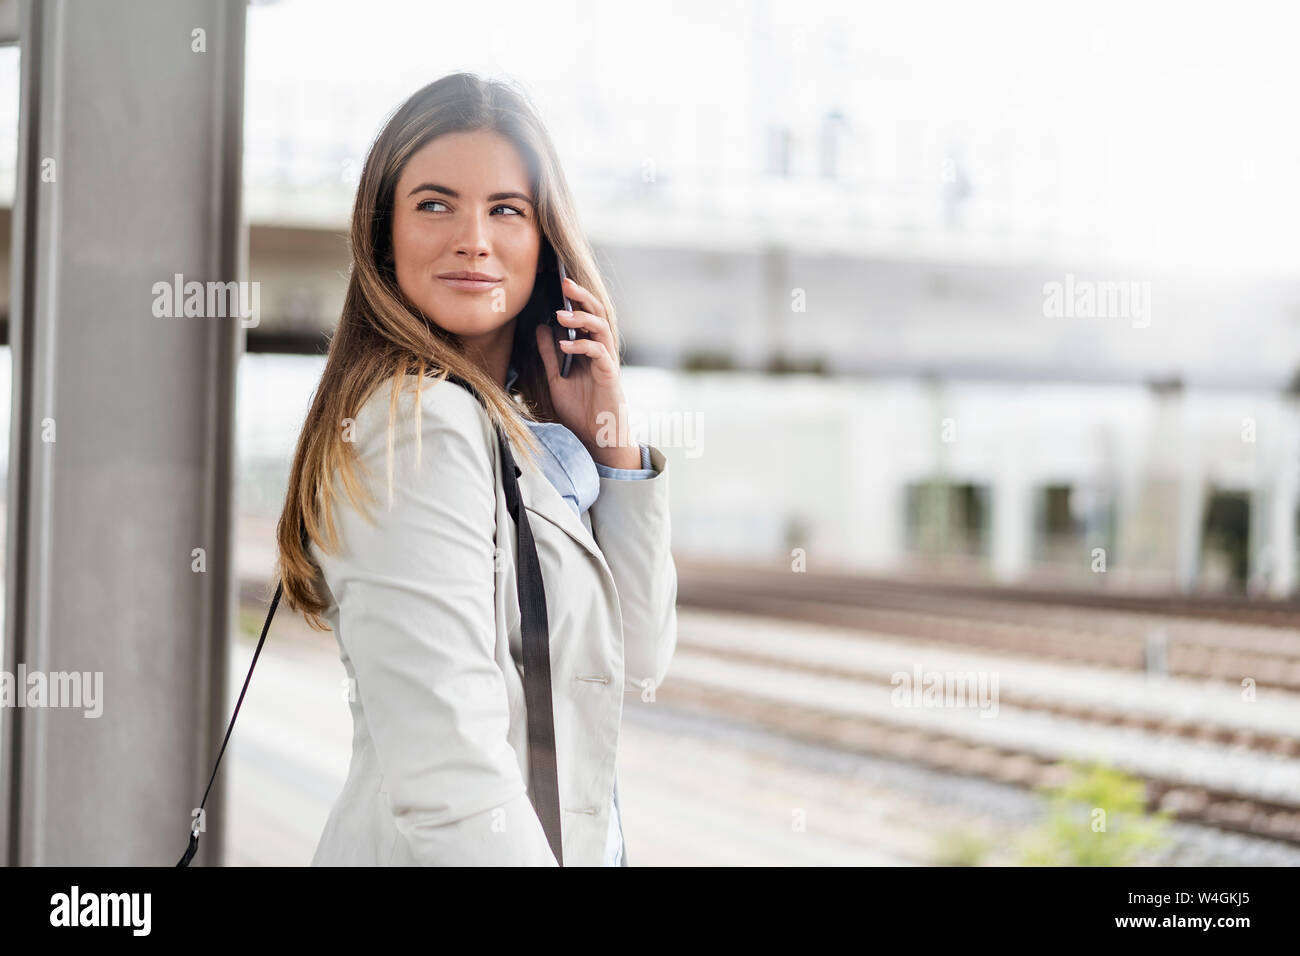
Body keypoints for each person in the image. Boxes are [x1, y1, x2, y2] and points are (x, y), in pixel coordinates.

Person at [272, 72, 678, 866]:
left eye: (506, 210)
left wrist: (610, 443)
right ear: (382, 235)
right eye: (434, 204)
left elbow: (640, 653)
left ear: (545, 241)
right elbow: (450, 769)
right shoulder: (420, 423)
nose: (474, 239)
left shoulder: (514, 434)